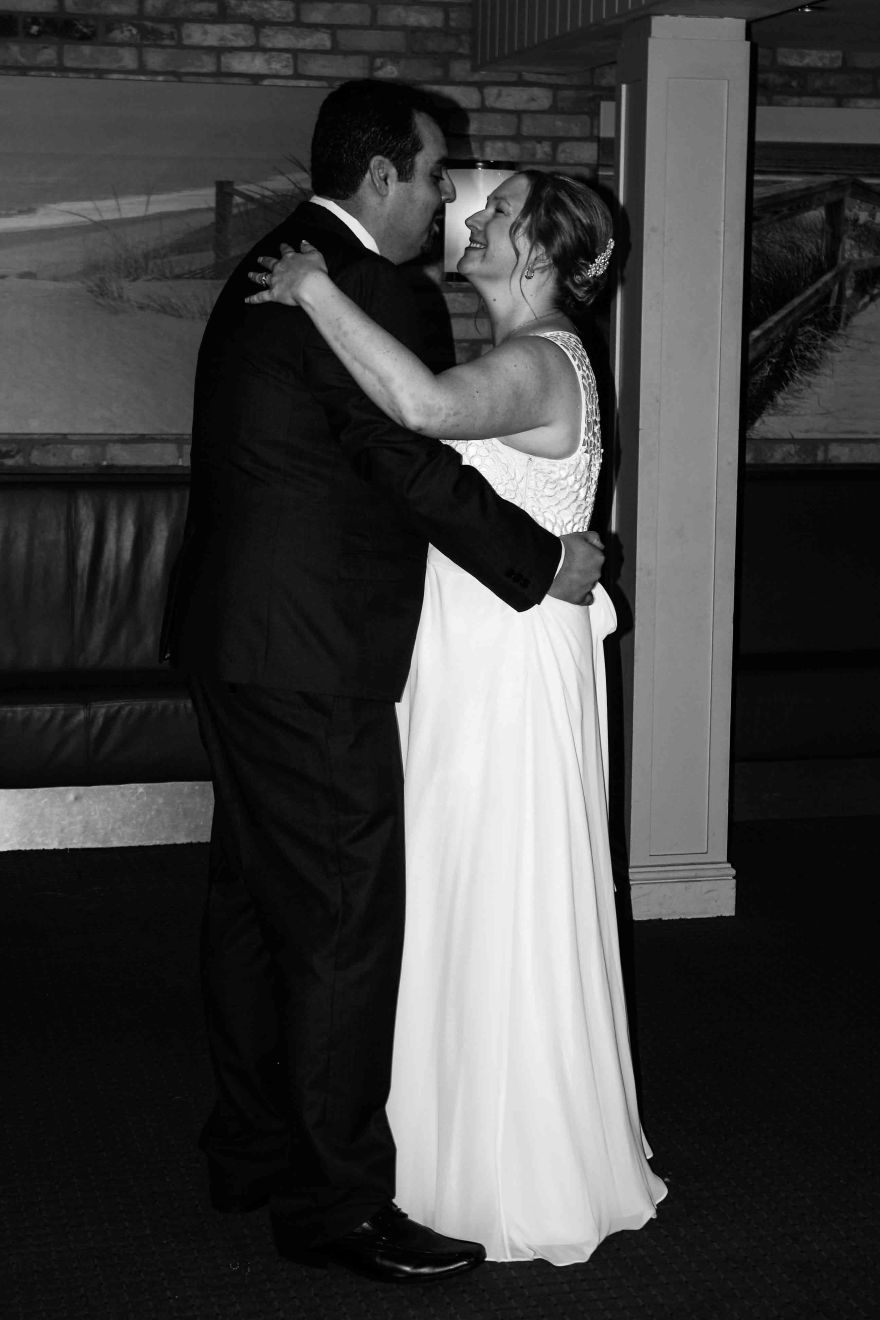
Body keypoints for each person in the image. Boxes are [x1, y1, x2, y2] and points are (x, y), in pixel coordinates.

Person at [162, 81, 605, 1285]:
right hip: (311, 651)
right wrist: (541, 562)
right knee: (345, 923)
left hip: (241, 635)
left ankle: (250, 1147)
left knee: (257, 900)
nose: (447, 204)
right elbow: (398, 448)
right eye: (434, 175)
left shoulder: (281, 262)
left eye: (483, 198)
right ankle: (336, 1204)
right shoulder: (367, 285)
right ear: (379, 180)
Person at [246, 167, 668, 1264]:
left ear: (539, 252)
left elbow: (425, 414)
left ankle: (499, 1169)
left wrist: (313, 288)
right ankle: (431, 1148)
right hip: (477, 648)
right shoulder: (524, 351)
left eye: (497, 214)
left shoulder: (536, 358)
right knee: (453, 886)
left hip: (506, 669)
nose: (470, 218)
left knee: (492, 889)